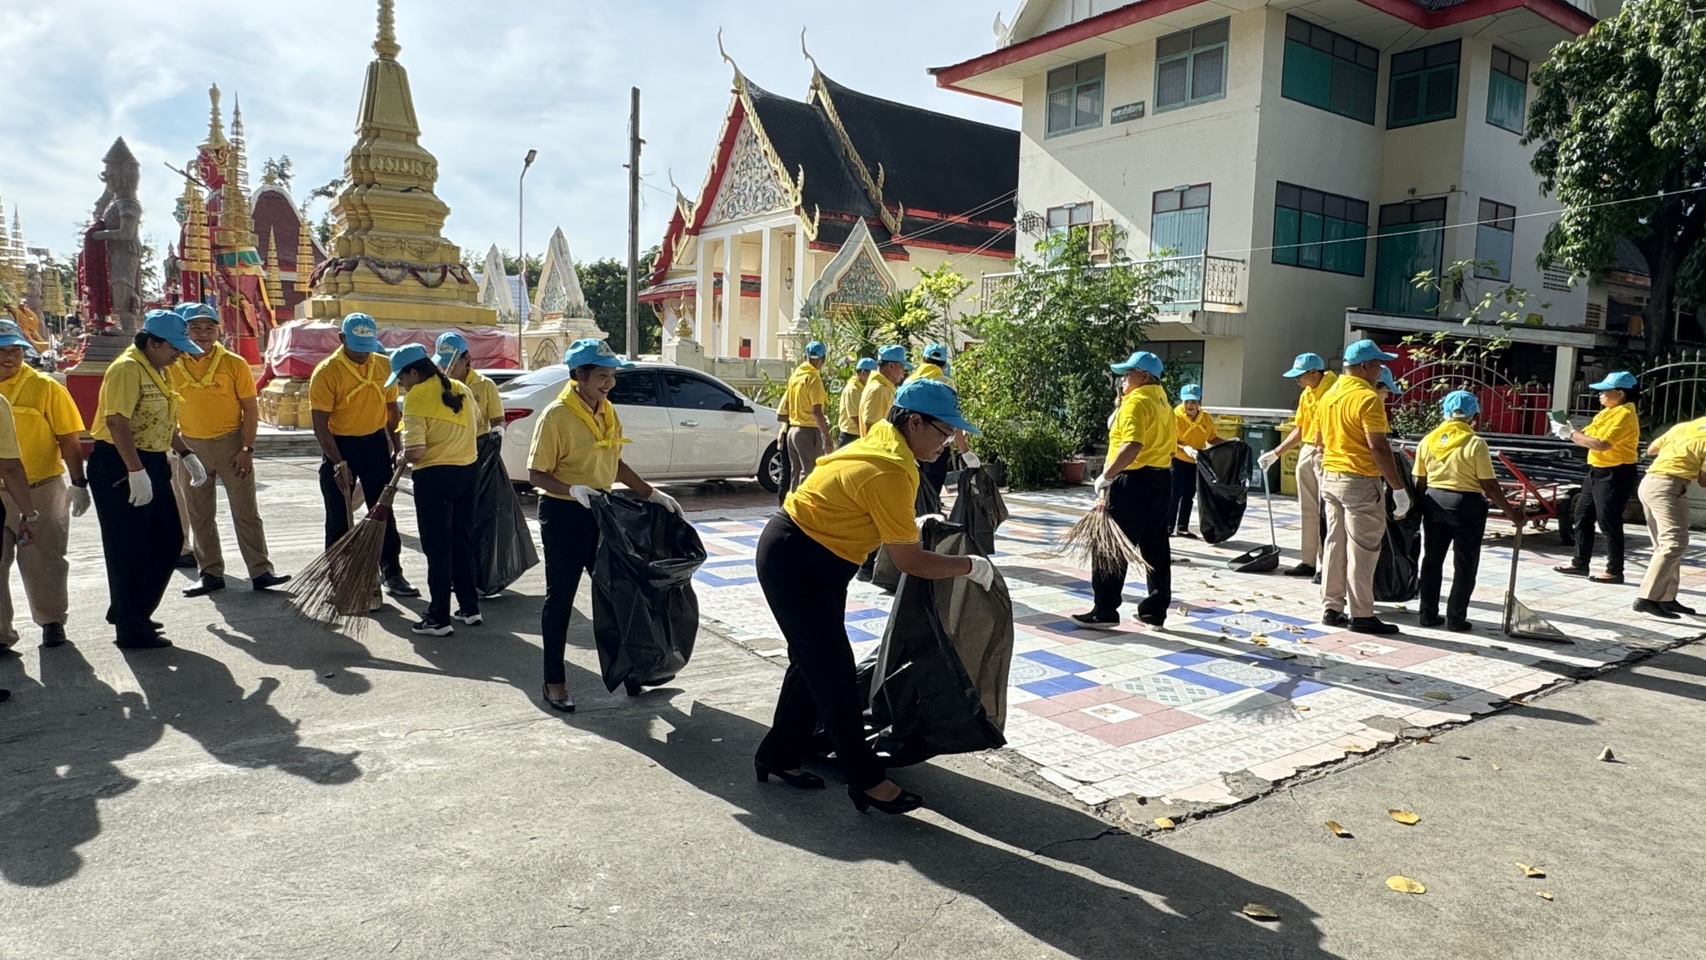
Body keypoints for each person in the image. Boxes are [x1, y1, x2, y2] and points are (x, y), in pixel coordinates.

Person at [754, 379, 995, 815]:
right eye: (944, 432)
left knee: (812, 662)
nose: (947, 443)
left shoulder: (886, 439)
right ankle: (865, 779)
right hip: (797, 560)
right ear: (915, 422)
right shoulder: (891, 467)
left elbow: (866, 502)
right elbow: (910, 561)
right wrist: (969, 566)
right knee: (835, 673)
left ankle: (779, 752)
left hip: (814, 557)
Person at [528, 338, 682, 713]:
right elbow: (536, 474)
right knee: (561, 599)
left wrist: (650, 493)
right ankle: (554, 681)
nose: (609, 382)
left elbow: (615, 462)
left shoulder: (607, 411)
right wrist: (571, 489)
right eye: (601, 375)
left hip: (601, 512)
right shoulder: (556, 416)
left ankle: (631, 671)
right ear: (579, 375)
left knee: (618, 596)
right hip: (564, 514)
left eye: (612, 375)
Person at [88, 310, 209, 649]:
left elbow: (162, 420)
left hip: (152, 461)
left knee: (169, 539)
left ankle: (132, 609)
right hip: (120, 463)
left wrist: (186, 454)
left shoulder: (158, 369)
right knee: (128, 547)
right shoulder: (127, 368)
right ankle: (131, 628)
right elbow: (116, 421)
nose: (179, 354)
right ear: (153, 343)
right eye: (175, 347)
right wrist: (134, 470)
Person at [169, 303, 289, 598]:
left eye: (209, 328)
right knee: (200, 513)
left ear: (218, 330)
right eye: (195, 328)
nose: (203, 334)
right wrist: (177, 448)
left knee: (246, 511)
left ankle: (260, 571)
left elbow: (250, 408)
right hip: (191, 446)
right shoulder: (171, 363)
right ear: (184, 331)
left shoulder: (234, 363)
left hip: (231, 444)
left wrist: (247, 448)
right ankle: (210, 572)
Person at [308, 313, 418, 599]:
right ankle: (340, 576)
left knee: (382, 511)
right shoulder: (326, 372)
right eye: (356, 347)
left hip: (374, 445)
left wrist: (396, 446)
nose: (362, 354)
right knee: (338, 516)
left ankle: (391, 571)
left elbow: (392, 411)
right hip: (339, 446)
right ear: (342, 339)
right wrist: (337, 463)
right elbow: (320, 424)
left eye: (366, 347)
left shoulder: (383, 365)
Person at [1073, 350, 1175, 628]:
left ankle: (1105, 610)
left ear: (1143, 376)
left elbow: (1132, 444)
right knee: (1155, 547)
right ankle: (1154, 611)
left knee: (1110, 545)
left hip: (1132, 481)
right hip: (1161, 479)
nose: (1123, 380)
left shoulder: (1137, 402)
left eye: (1128, 374)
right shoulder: (1163, 402)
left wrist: (1107, 476)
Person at [1316, 340, 1412, 636]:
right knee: (1363, 549)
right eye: (1378, 364)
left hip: (1331, 476)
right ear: (1364, 366)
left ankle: (1332, 607)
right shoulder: (1367, 398)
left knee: (1334, 544)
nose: (1381, 369)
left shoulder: (1329, 396)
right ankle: (1362, 614)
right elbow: (1378, 447)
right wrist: (1398, 488)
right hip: (1359, 480)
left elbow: (1319, 441)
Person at [0, 319, 85, 650]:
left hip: (41, 488)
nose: (9, 357)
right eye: (2, 350)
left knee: (45, 560)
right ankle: (1, 634)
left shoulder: (45, 387)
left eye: (15, 351)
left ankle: (51, 621)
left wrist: (78, 482)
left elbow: (69, 438)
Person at [389, 344, 480, 636]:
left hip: (435, 478)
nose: (402, 385)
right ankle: (469, 607)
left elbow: (416, 451)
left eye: (401, 378)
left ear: (414, 373)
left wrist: (402, 456)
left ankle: (438, 618)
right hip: (468, 473)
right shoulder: (460, 388)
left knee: (437, 548)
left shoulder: (416, 396)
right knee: (463, 542)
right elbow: (478, 423)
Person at [1412, 391, 1521, 631]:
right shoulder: (1475, 444)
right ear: (1474, 417)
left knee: (1431, 560)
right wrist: (1513, 515)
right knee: (1465, 562)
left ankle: (1427, 614)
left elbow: (1419, 480)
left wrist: (1419, 509)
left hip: (1434, 502)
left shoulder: (1428, 440)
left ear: (1444, 413)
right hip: (1466, 505)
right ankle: (1456, 618)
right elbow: (1489, 485)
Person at [1552, 371, 1640, 584]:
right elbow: (1587, 435)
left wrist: (1570, 434)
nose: (1599, 395)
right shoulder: (1606, 413)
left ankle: (1614, 570)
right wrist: (1569, 429)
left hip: (1616, 473)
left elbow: (1601, 444)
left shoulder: (1625, 414)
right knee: (1582, 515)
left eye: (1604, 391)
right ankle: (1580, 563)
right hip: (1597, 470)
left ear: (1620, 393)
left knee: (1609, 521)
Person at [1260, 353, 1338, 577]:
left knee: (1327, 512)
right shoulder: (1307, 393)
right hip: (1308, 449)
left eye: (1299, 375)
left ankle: (1326, 566)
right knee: (1308, 509)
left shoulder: (1334, 390)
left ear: (1314, 372)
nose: (1296, 380)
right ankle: (1308, 561)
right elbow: (1301, 428)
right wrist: (1276, 453)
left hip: (1327, 452)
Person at [1632, 417, 1706, 620]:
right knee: (1674, 543)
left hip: (1650, 483)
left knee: (1664, 545)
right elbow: (1703, 481)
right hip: (1668, 487)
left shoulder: (1684, 427)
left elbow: (1652, 450)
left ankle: (1665, 597)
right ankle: (1647, 598)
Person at [853, 345, 911, 582]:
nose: (903, 373)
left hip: (879, 459)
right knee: (877, 516)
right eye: (901, 368)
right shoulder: (879, 390)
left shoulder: (880, 387)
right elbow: (871, 424)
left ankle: (870, 566)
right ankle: (867, 566)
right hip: (878, 460)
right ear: (891, 366)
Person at [912, 342, 972, 497]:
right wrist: (965, 451)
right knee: (932, 491)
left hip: (911, 444)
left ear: (923, 359)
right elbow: (952, 419)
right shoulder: (946, 383)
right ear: (944, 364)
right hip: (936, 443)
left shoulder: (909, 381)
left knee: (914, 490)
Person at [1169, 383, 1222, 538]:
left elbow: (1212, 438)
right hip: (1177, 459)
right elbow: (1169, 440)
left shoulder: (1206, 418)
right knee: (1174, 494)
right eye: (1186, 402)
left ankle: (1182, 527)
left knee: (1189, 494)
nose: (1190, 405)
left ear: (1199, 402)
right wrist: (1184, 448)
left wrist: (1229, 443)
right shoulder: (1174, 416)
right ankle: (1168, 526)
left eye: (1193, 402)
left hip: (1195, 460)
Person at [781, 340, 833, 492]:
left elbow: (787, 404)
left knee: (796, 473)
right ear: (823, 360)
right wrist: (827, 437)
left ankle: (792, 505)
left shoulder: (796, 376)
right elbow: (817, 411)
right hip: (808, 431)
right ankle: (804, 506)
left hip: (793, 430)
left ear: (805, 357)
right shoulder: (813, 378)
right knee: (809, 473)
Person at [434, 331, 504, 434]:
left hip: (478, 443)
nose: (445, 368)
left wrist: (498, 431)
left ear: (466, 359)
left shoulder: (486, 385)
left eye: (450, 363)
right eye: (442, 363)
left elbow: (497, 420)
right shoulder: (436, 386)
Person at [837, 358, 876, 448]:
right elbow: (855, 416)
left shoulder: (863, 388)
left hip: (859, 434)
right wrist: (867, 436)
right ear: (863, 373)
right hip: (850, 436)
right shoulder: (852, 390)